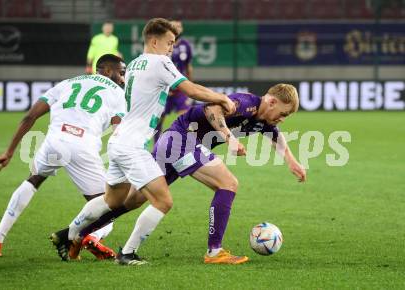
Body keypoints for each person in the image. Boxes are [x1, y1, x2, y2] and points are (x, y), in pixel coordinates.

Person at [50, 17, 235, 264]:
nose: (172, 48)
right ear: (155, 41)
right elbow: (190, 89)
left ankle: (70, 234)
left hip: (118, 142)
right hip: (132, 146)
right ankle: (127, 254)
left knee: (112, 200)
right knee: (163, 200)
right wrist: (221, 97)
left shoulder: (135, 63)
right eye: (169, 42)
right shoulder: (160, 62)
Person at [66, 84, 307, 265]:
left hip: (173, 142)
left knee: (133, 200)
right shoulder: (247, 103)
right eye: (283, 114)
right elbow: (213, 107)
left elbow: (274, 133)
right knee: (228, 183)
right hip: (182, 140)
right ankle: (214, 252)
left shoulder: (263, 118)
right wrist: (229, 138)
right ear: (272, 101)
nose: (282, 120)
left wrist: (291, 161)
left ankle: (78, 237)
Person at [0, 54, 126, 260]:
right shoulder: (118, 94)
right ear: (106, 70)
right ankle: (89, 237)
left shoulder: (67, 83)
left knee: (33, 179)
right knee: (110, 205)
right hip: (82, 145)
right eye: (121, 73)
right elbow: (117, 129)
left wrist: (9, 152)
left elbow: (30, 116)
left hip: (54, 140)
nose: (122, 79)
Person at [154, 20, 193, 142]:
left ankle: (186, 146)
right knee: (159, 118)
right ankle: (156, 145)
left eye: (179, 25)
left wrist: (190, 87)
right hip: (164, 88)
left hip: (180, 88)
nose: (177, 27)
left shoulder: (186, 45)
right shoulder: (161, 44)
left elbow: (188, 67)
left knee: (186, 117)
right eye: (174, 25)